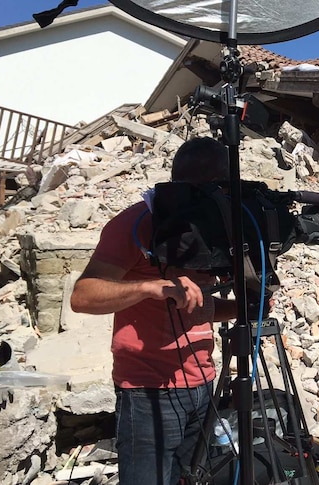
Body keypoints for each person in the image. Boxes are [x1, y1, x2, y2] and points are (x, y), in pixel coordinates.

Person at [70, 137, 237, 485]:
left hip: (204, 383)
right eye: (213, 183)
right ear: (184, 183)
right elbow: (82, 297)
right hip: (147, 392)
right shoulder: (137, 223)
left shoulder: (215, 227)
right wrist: (149, 287)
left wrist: (243, 305)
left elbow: (197, 308)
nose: (220, 192)